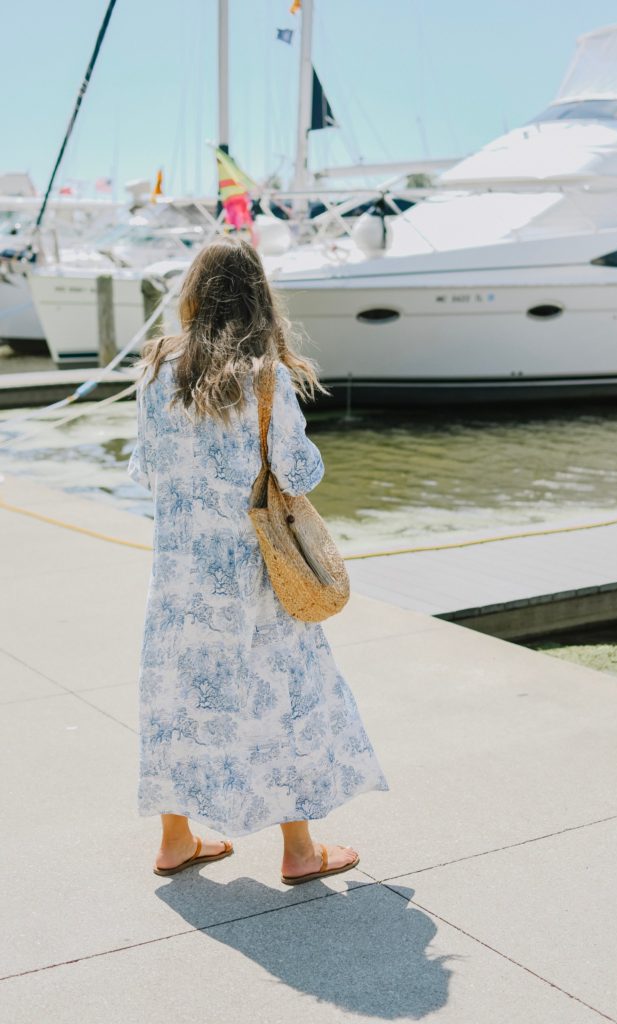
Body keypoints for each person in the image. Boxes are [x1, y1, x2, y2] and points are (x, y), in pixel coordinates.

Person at [128, 238, 388, 884]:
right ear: (257, 301)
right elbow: (300, 470)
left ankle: (175, 839)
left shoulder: (157, 371)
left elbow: (145, 471)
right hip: (252, 579)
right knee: (285, 700)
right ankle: (299, 851)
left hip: (179, 579)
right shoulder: (263, 378)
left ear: (193, 296)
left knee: (176, 698)